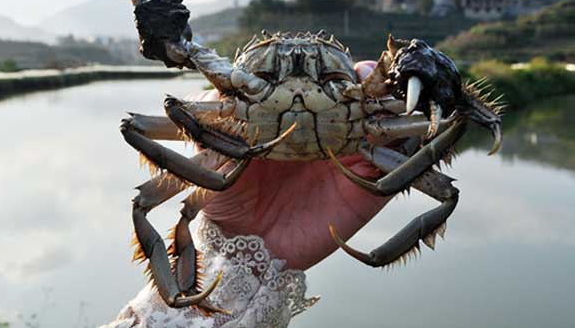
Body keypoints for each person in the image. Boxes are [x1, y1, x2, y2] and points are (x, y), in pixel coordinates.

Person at [102, 62, 392, 328]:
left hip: (352, 150)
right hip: (237, 157)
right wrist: (244, 249)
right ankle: (181, 294)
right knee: (145, 194)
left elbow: (431, 128)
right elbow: (153, 122)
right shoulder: (226, 112)